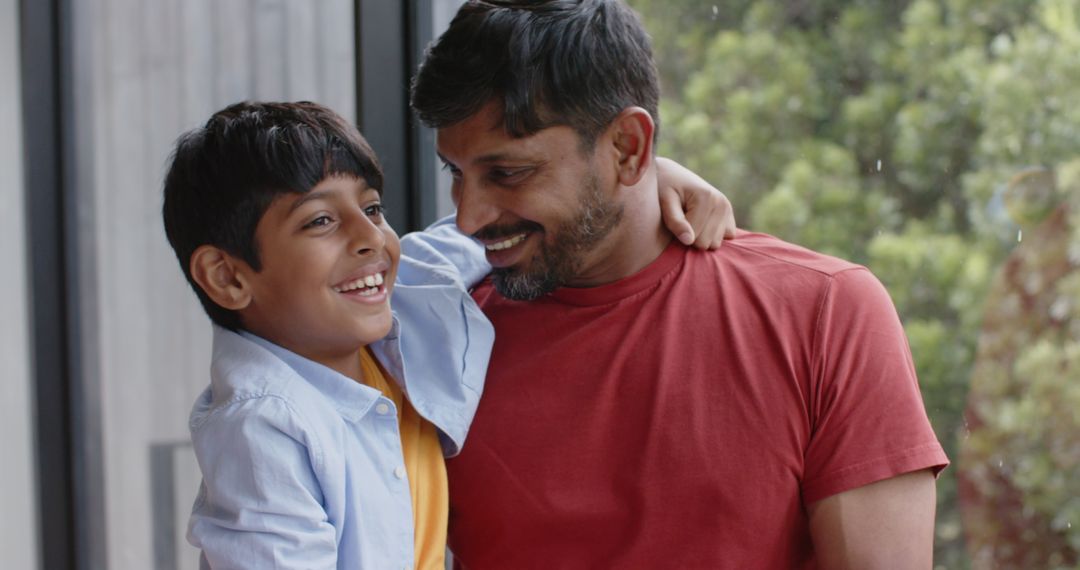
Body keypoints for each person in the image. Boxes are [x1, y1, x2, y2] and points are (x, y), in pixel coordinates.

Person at [409, 1, 950, 568]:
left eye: (509, 173)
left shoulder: (825, 313)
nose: (468, 216)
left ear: (628, 148)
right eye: (456, 172)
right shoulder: (435, 332)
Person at [161, 101, 734, 569]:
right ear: (229, 277)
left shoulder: (393, 300)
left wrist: (641, 177)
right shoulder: (261, 427)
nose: (372, 240)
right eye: (320, 221)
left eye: (372, 207)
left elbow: (468, 240)